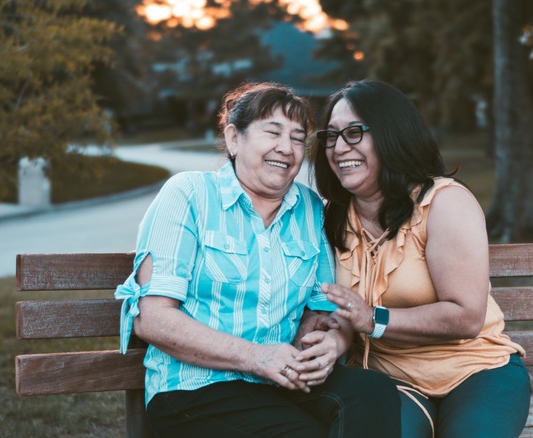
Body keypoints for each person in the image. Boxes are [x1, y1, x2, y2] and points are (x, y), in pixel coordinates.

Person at [114, 82, 401, 438]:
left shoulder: (310, 209)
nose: (287, 147)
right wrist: (256, 357)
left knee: (372, 393)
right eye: (273, 132)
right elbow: (153, 319)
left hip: (282, 380)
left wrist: (325, 343)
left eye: (298, 138)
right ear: (234, 138)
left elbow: (322, 308)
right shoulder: (189, 194)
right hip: (196, 389)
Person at [312, 79, 531, 438]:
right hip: (389, 380)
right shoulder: (330, 217)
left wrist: (373, 318)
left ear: (391, 134)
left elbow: (465, 316)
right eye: (331, 136)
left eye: (354, 132)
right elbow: (333, 310)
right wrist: (330, 335)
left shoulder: (443, 203)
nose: (338, 148)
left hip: (475, 372)